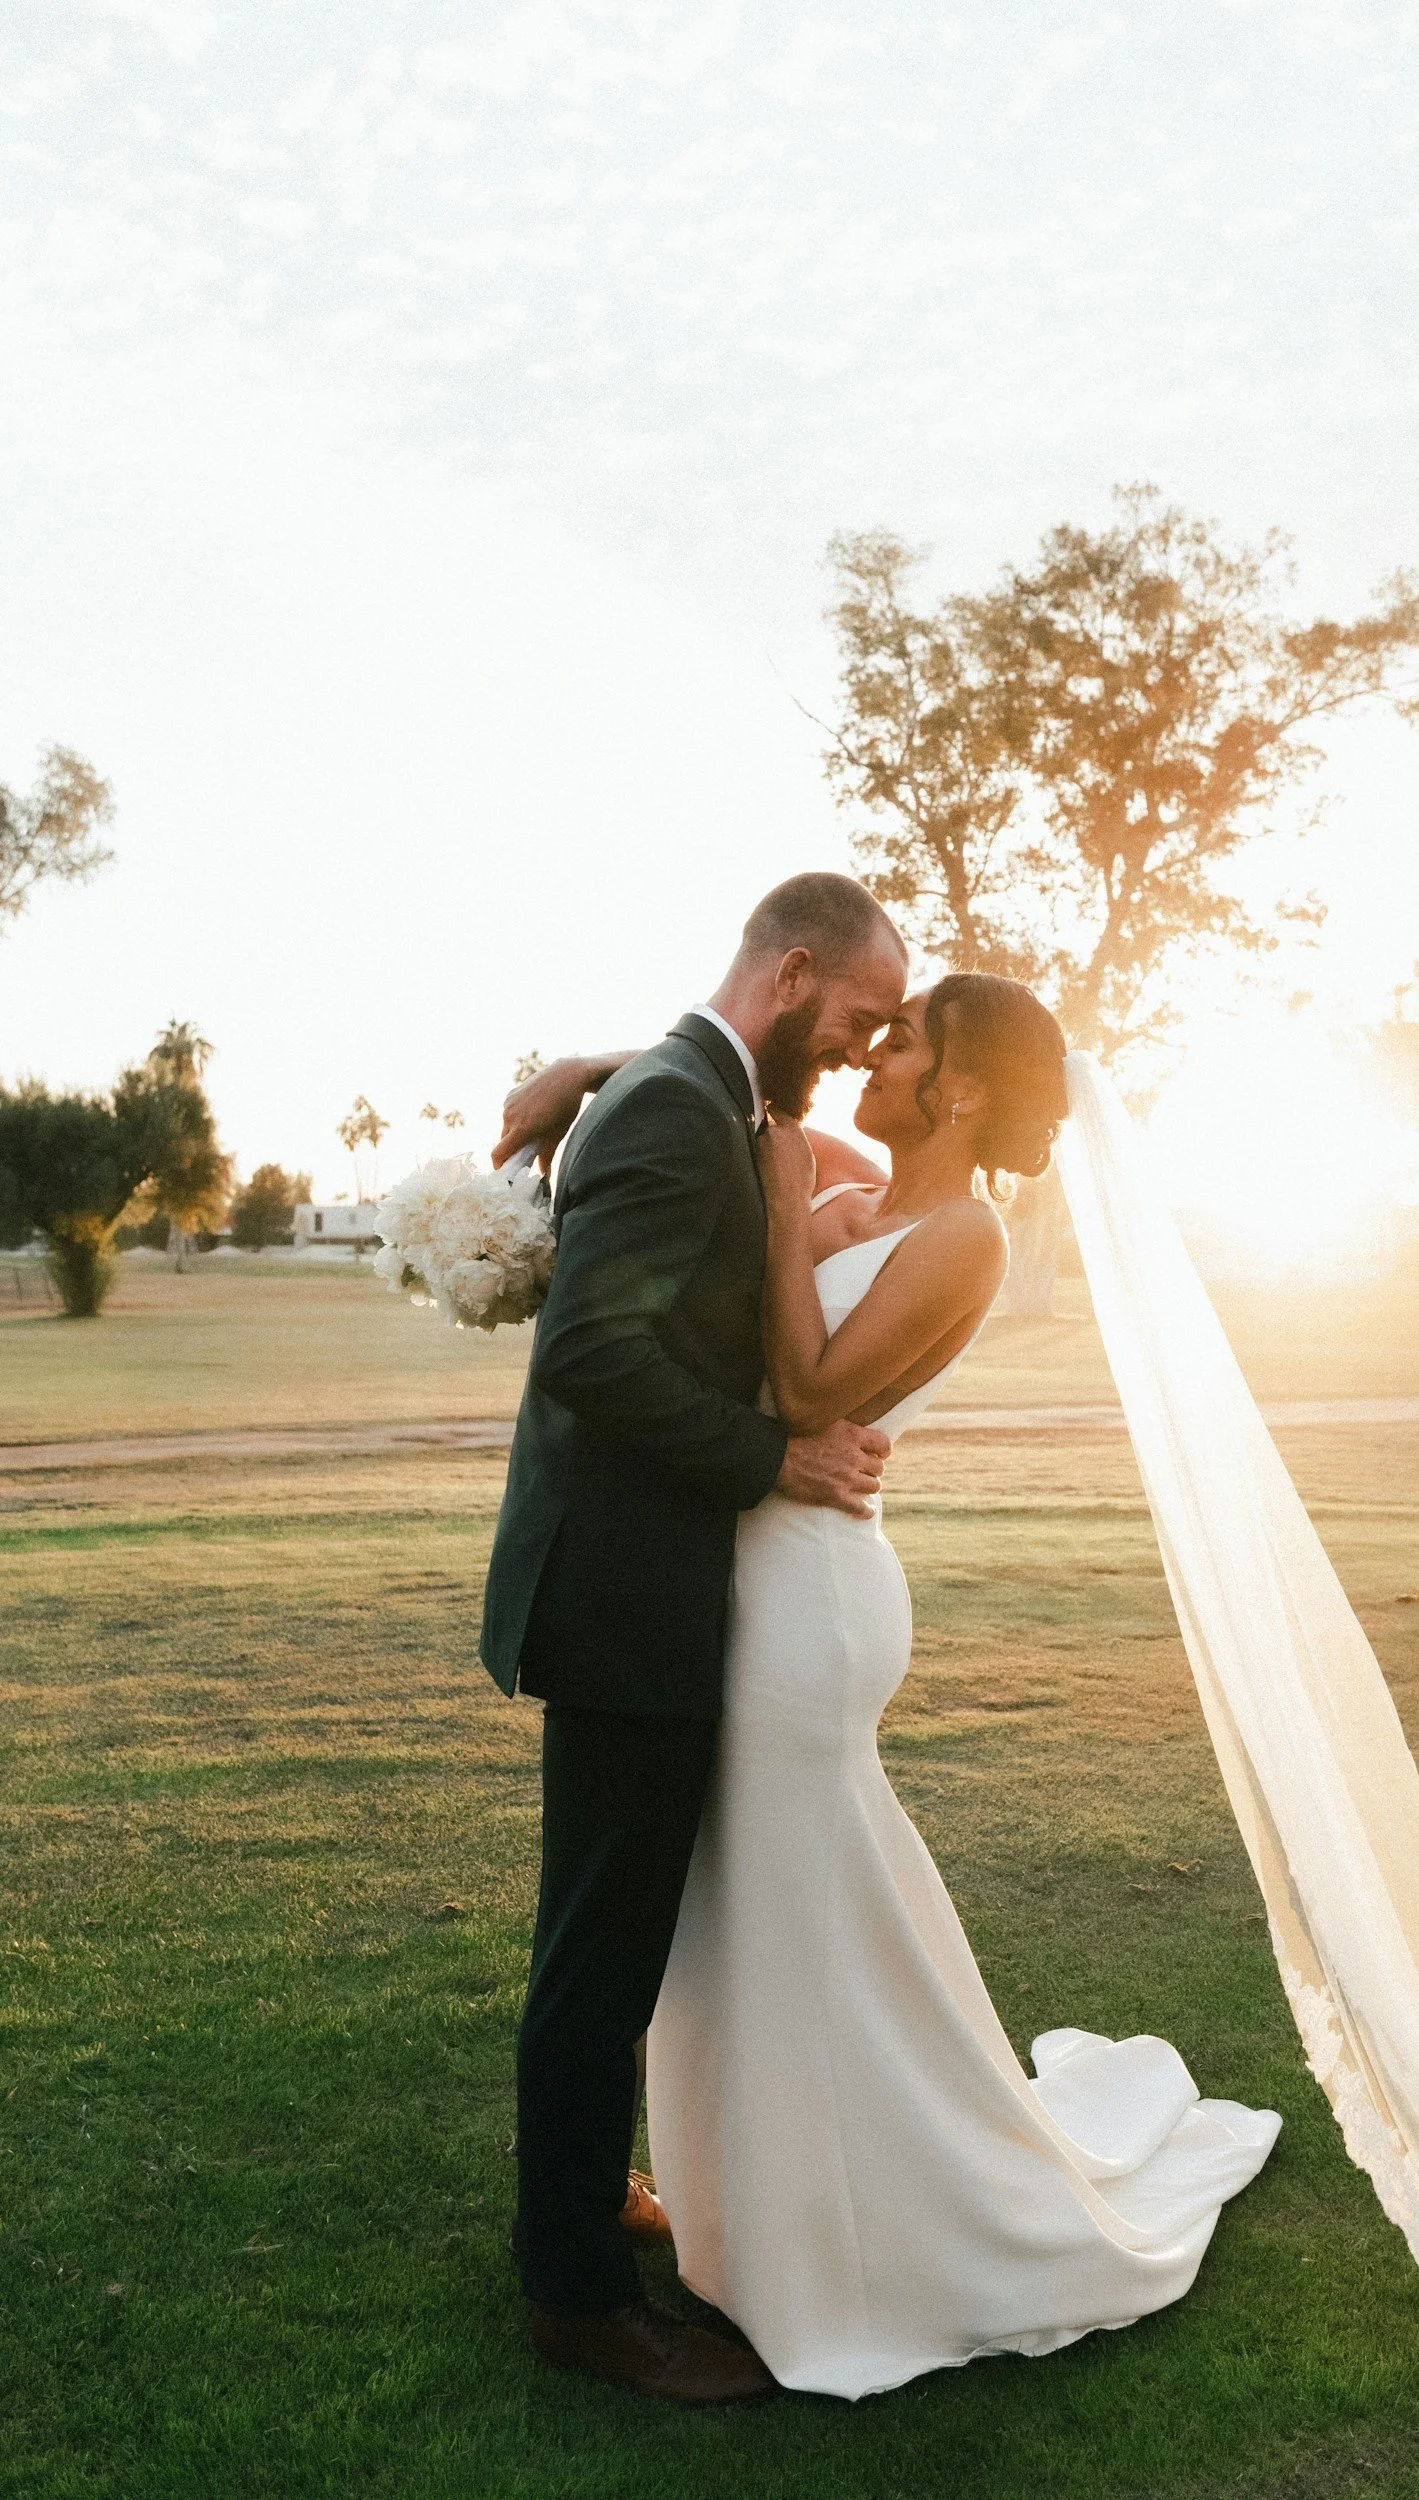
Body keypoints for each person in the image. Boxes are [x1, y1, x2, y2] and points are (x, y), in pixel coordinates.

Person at [642, 971, 1282, 2397]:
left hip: (809, 1603)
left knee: (801, 1908)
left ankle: (882, 2238)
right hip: (747, 1576)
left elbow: (810, 1398)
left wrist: (776, 1185)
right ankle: (757, 2219)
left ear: (967, 1087)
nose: (875, 1051)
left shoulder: (969, 1236)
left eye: (907, 1038)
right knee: (750, 1906)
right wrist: (786, 1184)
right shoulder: (865, 1202)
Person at [480, 872, 909, 2405]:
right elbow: (593, 1347)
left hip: (629, 1583)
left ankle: (581, 2200)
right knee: (603, 1951)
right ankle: (583, 2300)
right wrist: (770, 1457)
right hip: (625, 1593)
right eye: (855, 1019)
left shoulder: (688, 1090)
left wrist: (598, 1060)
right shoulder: (679, 1108)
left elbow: (732, 1117)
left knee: (600, 1934)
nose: (861, 1052)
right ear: (793, 975)